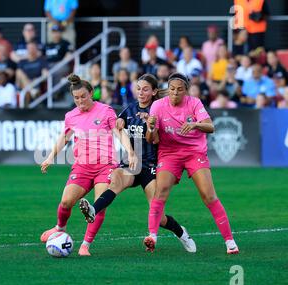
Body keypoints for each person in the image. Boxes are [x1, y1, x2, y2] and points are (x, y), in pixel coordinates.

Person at [78, 74, 197, 253]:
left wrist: (151, 125)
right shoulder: (130, 108)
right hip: (132, 164)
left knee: (159, 215)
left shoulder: (157, 110)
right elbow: (119, 122)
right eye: (139, 88)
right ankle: (93, 210)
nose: (141, 92)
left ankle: (181, 233)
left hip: (151, 166)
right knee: (116, 182)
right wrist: (119, 121)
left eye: (145, 89)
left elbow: (157, 138)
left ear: (154, 91)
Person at [40, 74, 138, 256]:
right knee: (66, 201)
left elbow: (119, 132)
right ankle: (59, 228)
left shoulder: (106, 110)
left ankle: (85, 245)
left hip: (105, 166)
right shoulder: (71, 116)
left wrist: (131, 152)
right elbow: (65, 137)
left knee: (98, 205)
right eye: (76, 98)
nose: (80, 101)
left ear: (91, 93)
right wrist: (50, 157)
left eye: (83, 96)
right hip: (82, 166)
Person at [144, 72, 239, 255]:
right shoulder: (157, 105)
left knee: (208, 195)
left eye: (180, 90)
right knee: (161, 190)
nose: (175, 93)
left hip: (194, 152)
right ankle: (152, 237)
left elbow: (211, 126)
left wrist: (195, 125)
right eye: (172, 89)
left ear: (186, 90)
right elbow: (151, 139)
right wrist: (150, 127)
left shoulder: (194, 103)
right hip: (169, 153)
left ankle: (230, 241)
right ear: (168, 89)